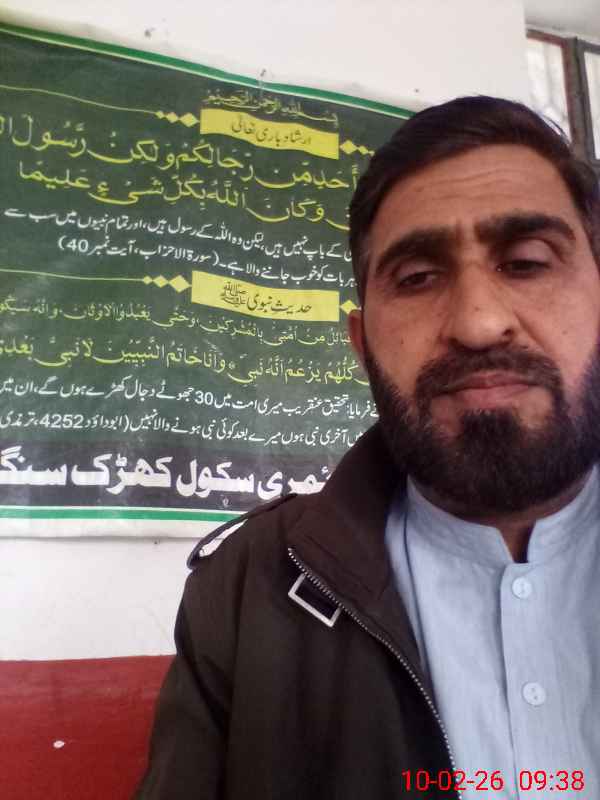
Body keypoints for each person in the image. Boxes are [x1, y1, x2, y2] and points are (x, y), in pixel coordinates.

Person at [134, 96, 600, 799]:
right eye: (417, 278)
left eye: (527, 262)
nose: (478, 322)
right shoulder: (245, 590)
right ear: (362, 344)